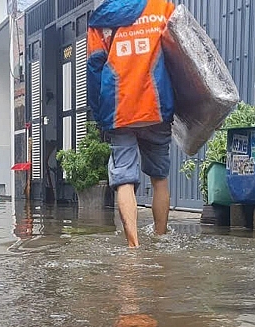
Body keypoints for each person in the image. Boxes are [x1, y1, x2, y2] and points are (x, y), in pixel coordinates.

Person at [87, 0, 176, 248]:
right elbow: (181, 57)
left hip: (119, 109)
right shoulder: (162, 8)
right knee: (159, 178)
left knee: (124, 178)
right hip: (156, 106)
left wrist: (98, 111)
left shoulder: (101, 20)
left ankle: (133, 246)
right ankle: (160, 238)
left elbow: (94, 68)